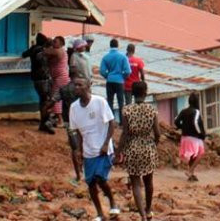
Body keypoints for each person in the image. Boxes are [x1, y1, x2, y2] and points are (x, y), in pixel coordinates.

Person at [67, 77, 120, 221]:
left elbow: (111, 123)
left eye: (80, 84)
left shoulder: (99, 102)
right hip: (88, 151)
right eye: (75, 85)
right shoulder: (74, 108)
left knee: (100, 178)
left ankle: (113, 203)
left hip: (103, 150)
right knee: (90, 183)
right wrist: (78, 149)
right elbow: (76, 131)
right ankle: (100, 213)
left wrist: (106, 143)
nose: (76, 87)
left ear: (88, 86)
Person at [115, 81, 159, 221]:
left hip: (132, 148)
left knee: (135, 183)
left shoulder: (127, 110)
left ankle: (143, 216)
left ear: (132, 94)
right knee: (148, 181)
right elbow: (157, 133)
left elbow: (125, 133)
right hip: (148, 147)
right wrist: (154, 144)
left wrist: (118, 151)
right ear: (146, 93)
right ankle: (149, 209)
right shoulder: (152, 110)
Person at [22, 33, 55, 133]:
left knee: (43, 100)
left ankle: (43, 123)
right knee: (46, 101)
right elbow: (42, 61)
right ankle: (45, 123)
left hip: (36, 78)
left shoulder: (33, 49)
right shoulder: (41, 51)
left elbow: (24, 55)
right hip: (43, 79)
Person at [98, 39, 131, 123]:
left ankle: (111, 121)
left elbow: (102, 71)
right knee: (121, 102)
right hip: (119, 81)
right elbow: (128, 71)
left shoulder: (106, 57)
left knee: (110, 101)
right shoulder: (123, 57)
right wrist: (122, 77)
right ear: (118, 45)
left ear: (110, 45)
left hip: (110, 81)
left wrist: (108, 76)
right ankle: (121, 122)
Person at [175, 95, 206, 181]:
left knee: (193, 155)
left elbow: (176, 120)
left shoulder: (184, 111)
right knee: (200, 154)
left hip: (184, 137)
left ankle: (191, 174)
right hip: (194, 137)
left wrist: (181, 127)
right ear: (197, 102)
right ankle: (190, 170)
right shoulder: (196, 112)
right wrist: (201, 133)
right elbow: (196, 123)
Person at [46, 36, 71, 129]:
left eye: (55, 42)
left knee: (55, 98)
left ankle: (60, 120)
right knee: (56, 97)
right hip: (58, 77)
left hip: (61, 77)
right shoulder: (57, 51)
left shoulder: (59, 50)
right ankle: (58, 118)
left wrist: (46, 44)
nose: (53, 43)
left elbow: (46, 51)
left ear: (61, 44)